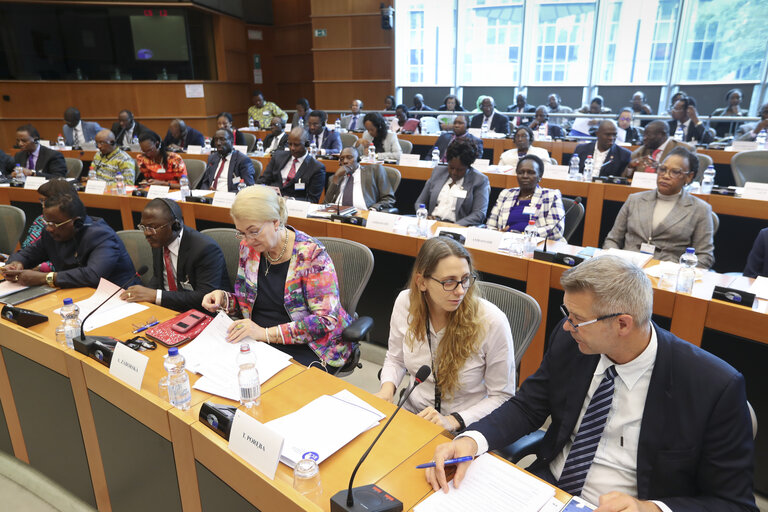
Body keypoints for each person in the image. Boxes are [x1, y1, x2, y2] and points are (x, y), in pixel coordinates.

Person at [425, 255, 756, 511]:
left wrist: (651, 507)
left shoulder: (713, 386)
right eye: (567, 313)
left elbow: (734, 504)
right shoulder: (573, 342)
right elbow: (527, 406)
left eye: (577, 319)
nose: (567, 326)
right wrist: (471, 441)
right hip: (549, 492)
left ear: (623, 324)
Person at [201, 186, 353, 368]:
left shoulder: (311, 255)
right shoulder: (249, 249)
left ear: (275, 222)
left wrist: (264, 333)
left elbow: (325, 321)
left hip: (308, 346)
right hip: (257, 338)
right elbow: (247, 302)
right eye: (241, 232)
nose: (247, 240)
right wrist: (223, 299)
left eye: (253, 231)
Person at [375, 237, 515, 433]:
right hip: (412, 415)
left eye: (465, 279)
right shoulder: (405, 303)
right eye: (449, 282)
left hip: (464, 427)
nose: (460, 291)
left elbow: (502, 396)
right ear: (422, 282)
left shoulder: (492, 321)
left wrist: (452, 420)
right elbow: (396, 359)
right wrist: (387, 390)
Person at [604, 147, 714, 268]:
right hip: (626, 270)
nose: (665, 176)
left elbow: (704, 257)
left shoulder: (700, 209)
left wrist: (677, 273)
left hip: (667, 277)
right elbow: (612, 240)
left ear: (689, 177)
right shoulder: (634, 200)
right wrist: (616, 263)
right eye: (662, 169)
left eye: (675, 172)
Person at [1, 193, 138, 288]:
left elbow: (93, 275)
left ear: (76, 223)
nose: (49, 228)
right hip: (76, 294)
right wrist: (16, 263)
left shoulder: (102, 236)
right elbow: (28, 253)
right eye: (46, 222)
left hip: (119, 297)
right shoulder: (51, 232)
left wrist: (45, 278)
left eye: (54, 224)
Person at [120, 199, 230, 312]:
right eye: (143, 227)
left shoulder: (205, 249)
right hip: (169, 309)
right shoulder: (158, 241)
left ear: (175, 226)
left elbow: (206, 297)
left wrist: (155, 295)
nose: (147, 233)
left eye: (152, 228)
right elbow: (159, 277)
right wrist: (143, 294)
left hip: (202, 313)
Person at [487, 155, 566, 241]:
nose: (525, 176)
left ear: (540, 176)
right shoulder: (506, 194)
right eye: (521, 172)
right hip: (504, 243)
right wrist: (498, 234)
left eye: (530, 172)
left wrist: (523, 235)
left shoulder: (550, 195)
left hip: (535, 245)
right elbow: (490, 226)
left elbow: (556, 230)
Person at [415, 139, 489, 227]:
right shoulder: (437, 172)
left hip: (457, 227)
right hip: (431, 224)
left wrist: (454, 226)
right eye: (451, 167)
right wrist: (425, 216)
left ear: (468, 166)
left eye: (460, 170)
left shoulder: (479, 180)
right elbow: (419, 202)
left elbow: (478, 214)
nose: (454, 172)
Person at [17, 179, 81, 272]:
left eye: (48, 201)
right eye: (42, 201)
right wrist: (18, 262)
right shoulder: (40, 220)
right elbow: (27, 250)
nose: (44, 205)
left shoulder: (71, 224)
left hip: (57, 277)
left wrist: (40, 268)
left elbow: (70, 262)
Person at [258, 127, 326, 203]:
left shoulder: (316, 167)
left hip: (295, 207)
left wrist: (289, 201)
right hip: (271, 202)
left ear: (307, 144)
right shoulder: (278, 157)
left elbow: (312, 199)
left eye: (296, 145)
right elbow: (262, 181)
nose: (292, 148)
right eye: (290, 144)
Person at [325, 147, 396, 211]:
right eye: (342, 159)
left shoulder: (374, 171)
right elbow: (326, 204)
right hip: (338, 215)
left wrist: (374, 209)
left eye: (349, 157)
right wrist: (336, 178)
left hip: (364, 214)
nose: (345, 161)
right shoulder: (334, 178)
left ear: (358, 159)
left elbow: (388, 199)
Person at [623, 121, 694, 178]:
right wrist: (630, 166)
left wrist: (660, 167)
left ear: (662, 135)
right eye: (644, 135)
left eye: (648, 135)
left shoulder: (685, 150)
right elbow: (627, 178)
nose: (644, 138)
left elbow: (687, 177)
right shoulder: (640, 152)